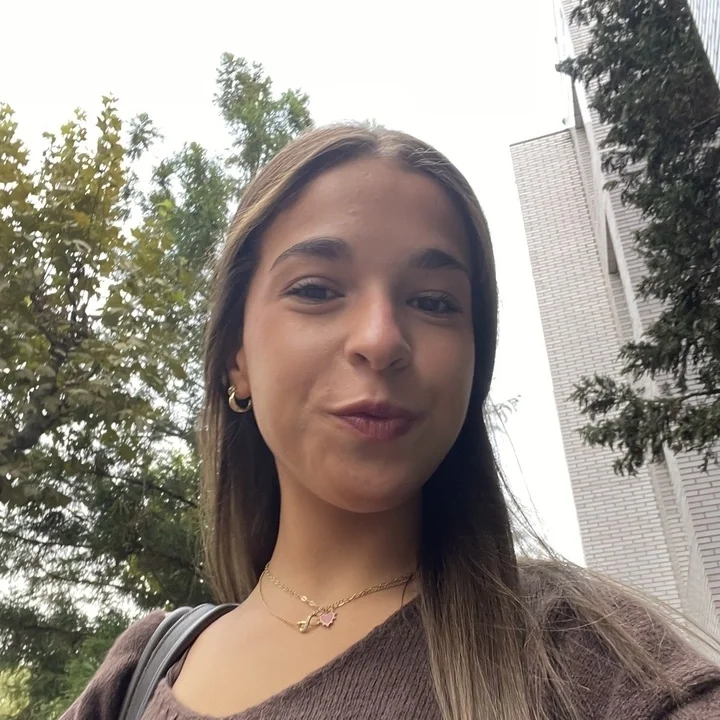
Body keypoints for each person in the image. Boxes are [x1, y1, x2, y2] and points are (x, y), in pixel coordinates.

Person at [61, 124, 720, 720]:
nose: (381, 340)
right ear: (237, 358)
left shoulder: (584, 654)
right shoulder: (141, 673)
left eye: (434, 302)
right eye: (316, 290)